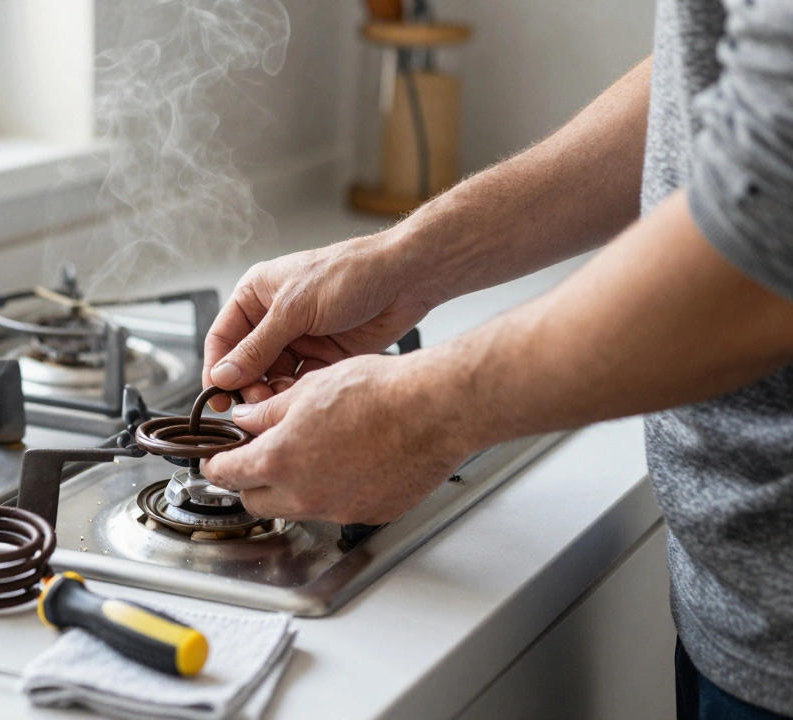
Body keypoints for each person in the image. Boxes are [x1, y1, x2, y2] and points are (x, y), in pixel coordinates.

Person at [198, 1, 793, 718]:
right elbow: (716, 91)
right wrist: (408, 259)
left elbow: (764, 247)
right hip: (739, 607)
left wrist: (423, 413)